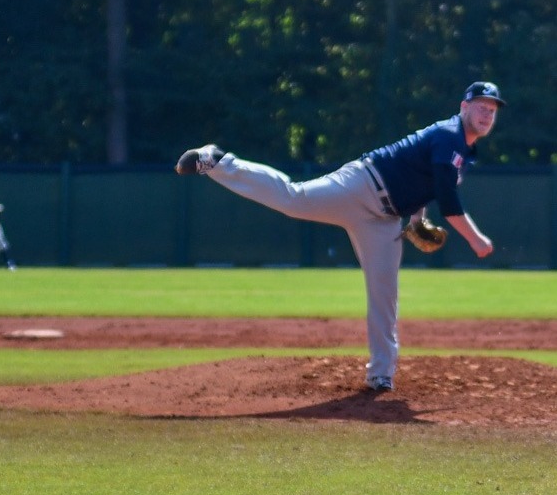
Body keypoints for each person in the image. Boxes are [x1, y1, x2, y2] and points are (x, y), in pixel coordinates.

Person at [175, 82, 503, 390]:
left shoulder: (464, 149)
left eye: (492, 110)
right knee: (294, 197)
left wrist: (417, 219)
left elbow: (428, 183)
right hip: (360, 185)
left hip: (385, 220)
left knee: (385, 293)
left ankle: (381, 375)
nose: (486, 114)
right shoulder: (449, 135)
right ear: (464, 107)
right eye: (481, 107)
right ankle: (216, 161)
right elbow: (448, 200)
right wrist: (475, 239)